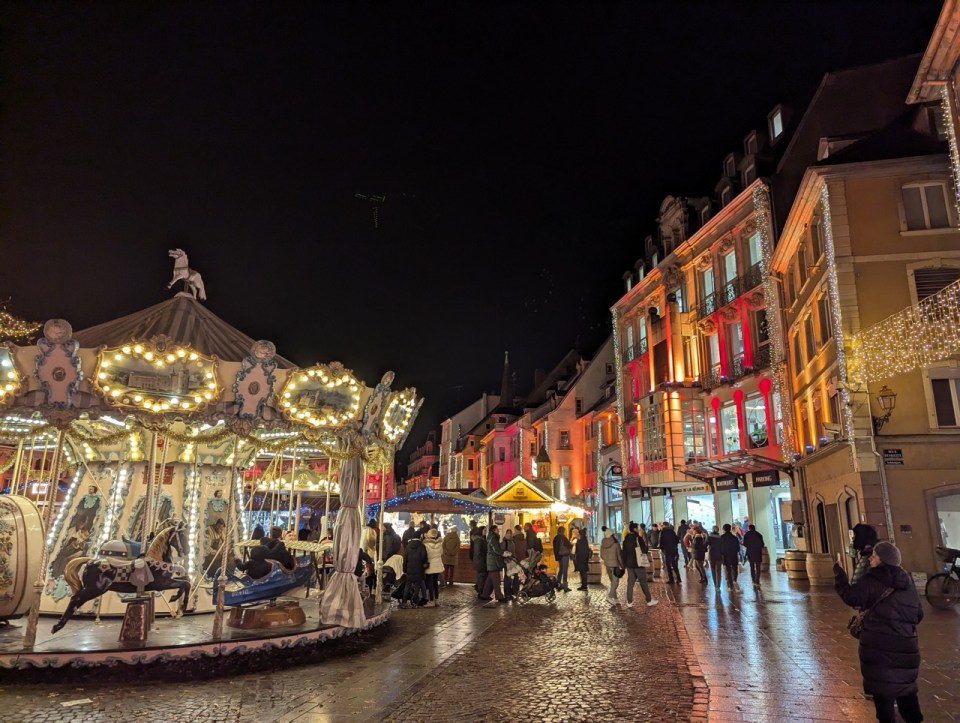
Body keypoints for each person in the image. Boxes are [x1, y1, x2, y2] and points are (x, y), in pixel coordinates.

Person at [834, 541, 924, 723]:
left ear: (882, 560)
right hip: (906, 647)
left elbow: (851, 597)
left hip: (879, 649)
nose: (871, 559)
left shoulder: (872, 579)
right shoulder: (907, 582)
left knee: (884, 699)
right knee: (907, 694)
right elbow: (918, 614)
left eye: (874, 556)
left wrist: (839, 573)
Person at [622, 522, 657, 608]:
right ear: (634, 529)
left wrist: (625, 563)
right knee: (643, 582)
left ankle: (629, 602)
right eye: (637, 528)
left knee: (630, 583)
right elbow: (645, 550)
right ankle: (649, 600)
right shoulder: (638, 538)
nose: (638, 529)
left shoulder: (625, 539)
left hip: (629, 564)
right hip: (638, 563)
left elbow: (624, 552)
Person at [480, 525, 509, 603]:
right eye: (497, 530)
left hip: (492, 561)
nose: (498, 531)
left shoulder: (491, 537)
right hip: (494, 561)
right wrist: (503, 553)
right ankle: (499, 596)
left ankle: (485, 595)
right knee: (496, 580)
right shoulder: (493, 538)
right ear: (494, 530)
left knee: (490, 579)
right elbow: (496, 549)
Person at [401, 534, 428, 607]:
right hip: (419, 569)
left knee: (407, 585)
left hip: (409, 569)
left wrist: (404, 569)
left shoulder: (408, 546)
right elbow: (424, 557)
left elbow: (405, 559)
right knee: (417, 586)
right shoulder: (422, 546)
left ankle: (404, 602)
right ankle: (414, 601)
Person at [599, 528, 623, 606]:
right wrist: (622, 565)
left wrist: (606, 560)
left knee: (613, 581)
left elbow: (601, 555)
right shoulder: (616, 543)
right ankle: (610, 596)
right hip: (615, 565)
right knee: (615, 581)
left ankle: (615, 598)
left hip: (607, 565)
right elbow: (619, 555)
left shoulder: (603, 543)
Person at [422, 528, 443, 607]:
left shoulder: (425, 544)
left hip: (430, 565)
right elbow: (441, 553)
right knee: (435, 583)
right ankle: (436, 599)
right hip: (437, 565)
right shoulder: (439, 543)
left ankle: (431, 600)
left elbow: (425, 555)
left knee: (430, 583)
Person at [552, 525, 573, 592]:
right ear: (563, 531)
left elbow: (555, 548)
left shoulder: (555, 538)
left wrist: (557, 556)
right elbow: (569, 545)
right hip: (564, 555)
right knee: (564, 570)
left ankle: (558, 584)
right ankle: (565, 586)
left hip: (559, 556)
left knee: (560, 569)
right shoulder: (563, 538)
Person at [720, 523, 741, 590]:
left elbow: (720, 548)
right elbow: (738, 548)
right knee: (734, 569)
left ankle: (729, 585)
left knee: (728, 570)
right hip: (734, 555)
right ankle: (734, 580)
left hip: (725, 556)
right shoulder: (734, 538)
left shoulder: (722, 537)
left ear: (723, 529)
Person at [471, 525, 488, 596]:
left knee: (481, 576)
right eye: (484, 530)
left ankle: (480, 589)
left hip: (481, 561)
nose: (485, 532)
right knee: (481, 576)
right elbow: (478, 552)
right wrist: (483, 557)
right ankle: (481, 592)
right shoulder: (479, 540)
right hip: (481, 561)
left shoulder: (482, 539)